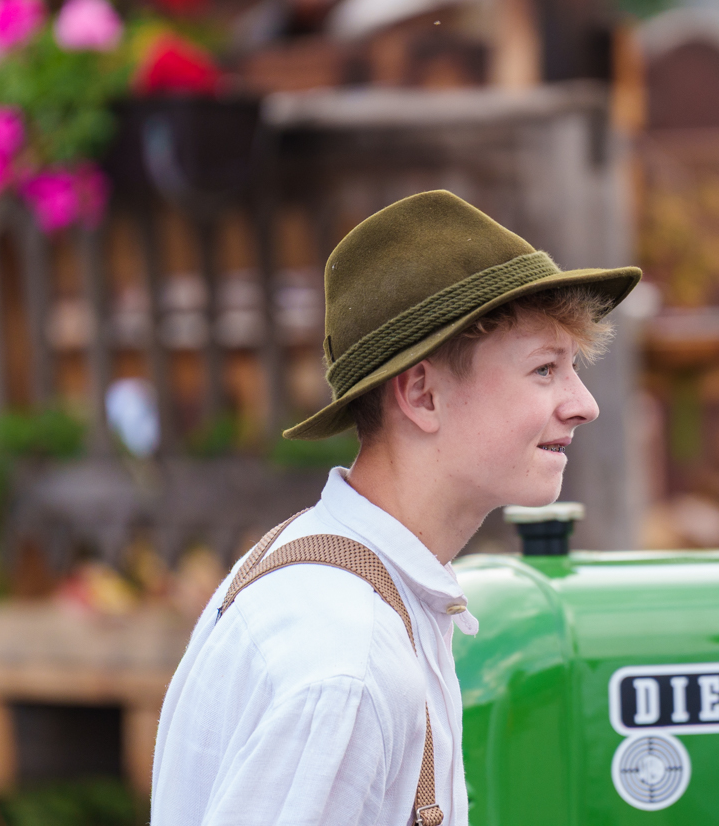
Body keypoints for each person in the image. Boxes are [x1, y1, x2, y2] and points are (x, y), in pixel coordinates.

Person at [150, 190, 639, 826]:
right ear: (422, 395)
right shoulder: (347, 662)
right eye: (545, 369)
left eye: (571, 367)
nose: (584, 404)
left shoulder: (339, 582)